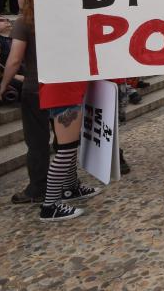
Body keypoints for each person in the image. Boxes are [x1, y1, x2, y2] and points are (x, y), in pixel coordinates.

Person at [0, 0, 50, 204]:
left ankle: (38, 188)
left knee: (37, 141)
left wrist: (3, 84)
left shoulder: (25, 22)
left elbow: (15, 58)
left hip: (35, 88)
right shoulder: (60, 19)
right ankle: (67, 182)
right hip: (62, 88)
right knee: (66, 140)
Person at [37, 77, 102, 221]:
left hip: (64, 90)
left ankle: (70, 188)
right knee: (66, 150)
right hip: (65, 92)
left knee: (69, 147)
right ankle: (50, 205)